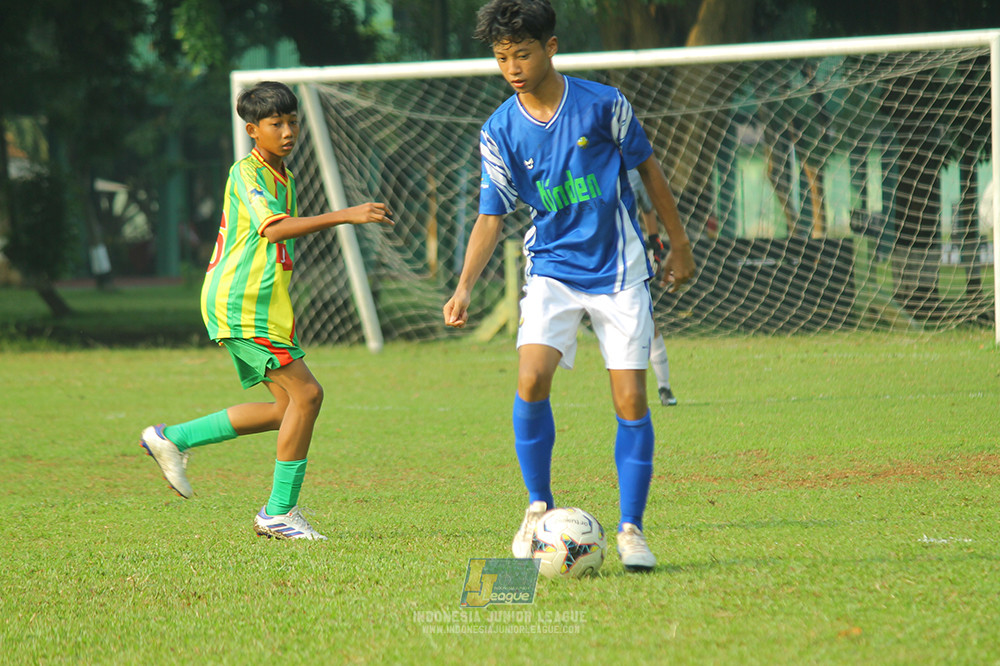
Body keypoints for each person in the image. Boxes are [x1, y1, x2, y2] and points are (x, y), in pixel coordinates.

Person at [443, 0, 695, 572]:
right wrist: (463, 288)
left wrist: (678, 243)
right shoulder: (499, 130)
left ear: (551, 47)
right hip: (552, 269)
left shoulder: (604, 105)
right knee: (531, 378)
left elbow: (648, 169)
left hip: (618, 270)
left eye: (522, 54)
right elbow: (490, 215)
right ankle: (537, 507)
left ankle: (631, 530)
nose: (511, 66)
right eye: (501, 56)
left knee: (630, 399)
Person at [140, 81, 393, 540]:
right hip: (239, 302)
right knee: (309, 396)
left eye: (293, 121)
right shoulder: (247, 172)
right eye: (276, 124)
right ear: (253, 130)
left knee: (286, 409)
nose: (288, 130)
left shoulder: (287, 177)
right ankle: (278, 512)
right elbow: (274, 231)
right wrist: (346, 214)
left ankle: (172, 437)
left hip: (264, 306)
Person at [628, 168, 677, 407]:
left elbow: (647, 209)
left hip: (629, 260)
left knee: (647, 322)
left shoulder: (632, 173)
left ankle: (664, 387)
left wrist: (655, 244)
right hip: (589, 259)